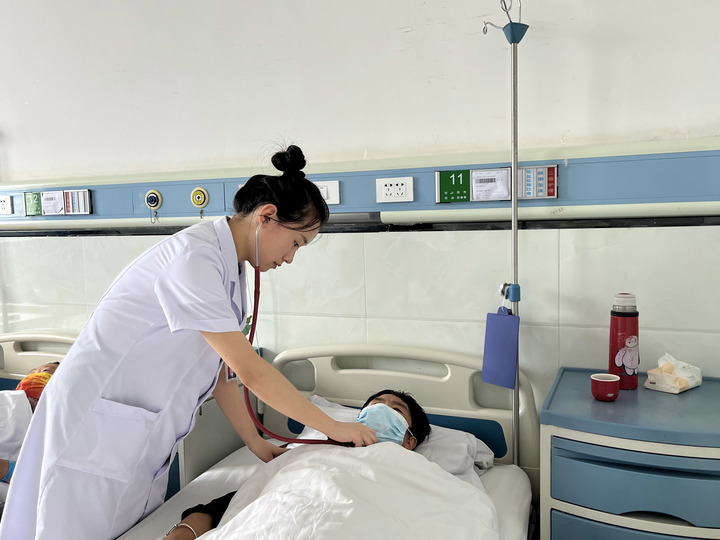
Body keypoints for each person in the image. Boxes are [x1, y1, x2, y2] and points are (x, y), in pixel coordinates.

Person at [0, 146, 376, 540]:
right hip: (91, 432)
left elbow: (219, 375)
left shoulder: (227, 267)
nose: (291, 258)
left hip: (129, 439)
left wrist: (255, 442)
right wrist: (334, 426)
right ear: (266, 217)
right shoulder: (194, 259)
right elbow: (250, 371)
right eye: (296, 243)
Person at [164, 390, 431, 539]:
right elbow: (244, 499)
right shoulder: (309, 453)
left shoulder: (418, 472)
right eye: (376, 405)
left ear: (410, 441)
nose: (383, 409)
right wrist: (184, 532)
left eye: (396, 409)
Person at [1, 363, 60, 516]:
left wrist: (6, 470)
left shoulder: (59, 423)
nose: (35, 375)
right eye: (32, 373)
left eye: (46, 372)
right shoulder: (7, 399)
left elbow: (49, 479)